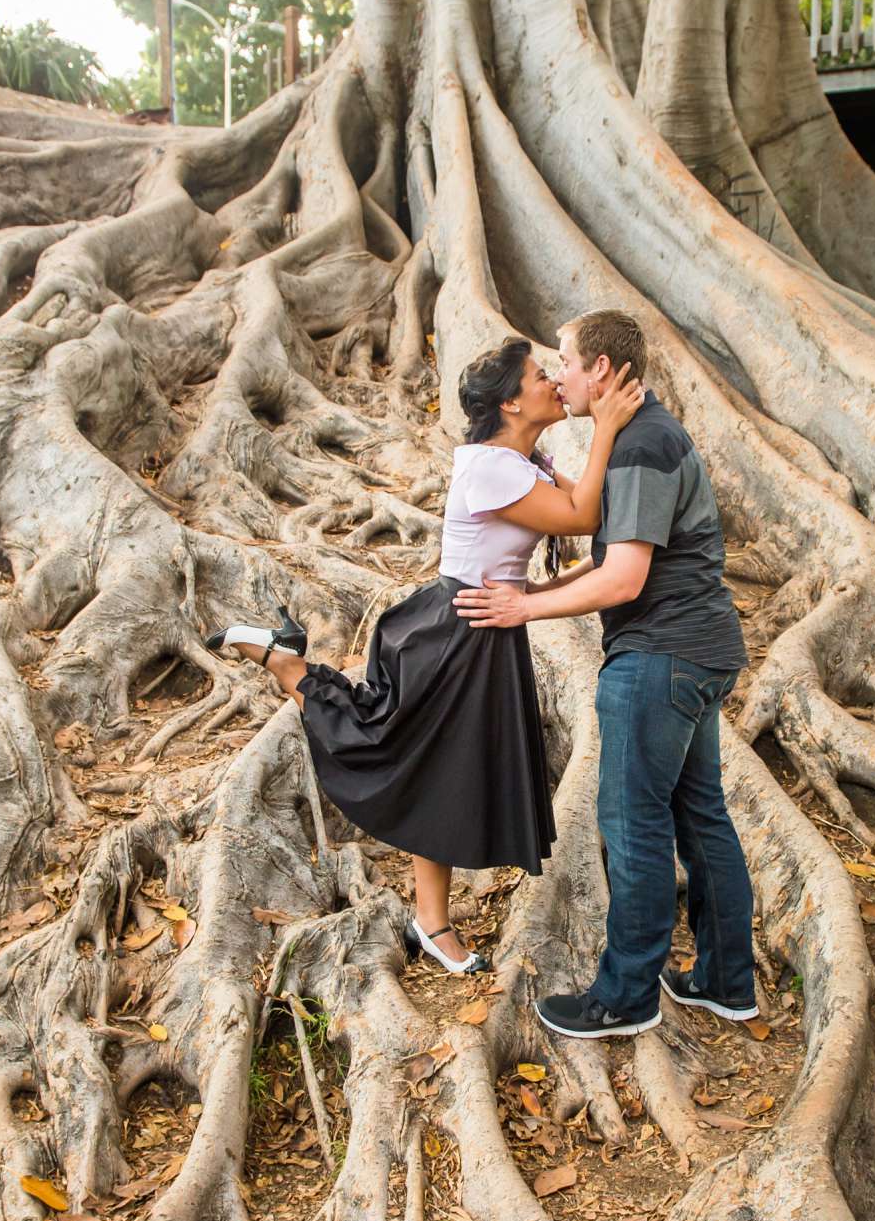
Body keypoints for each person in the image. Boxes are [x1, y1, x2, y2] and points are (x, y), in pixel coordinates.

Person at [206, 338, 639, 974]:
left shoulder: (528, 458)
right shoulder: (493, 465)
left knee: (434, 770)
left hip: (485, 628)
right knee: (394, 750)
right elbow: (583, 513)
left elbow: (580, 517)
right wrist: (605, 428)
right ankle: (288, 666)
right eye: (538, 376)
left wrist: (546, 587)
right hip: (457, 631)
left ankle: (431, 925)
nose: (552, 381)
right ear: (512, 402)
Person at [454, 310, 756, 1038]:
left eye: (564, 359)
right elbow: (618, 550)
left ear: (603, 371)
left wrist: (526, 609)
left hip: (662, 658)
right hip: (694, 651)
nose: (558, 374)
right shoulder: (635, 438)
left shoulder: (643, 445)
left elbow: (624, 580)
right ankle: (724, 978)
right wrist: (538, 594)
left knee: (633, 822)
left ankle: (626, 993)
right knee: (698, 811)